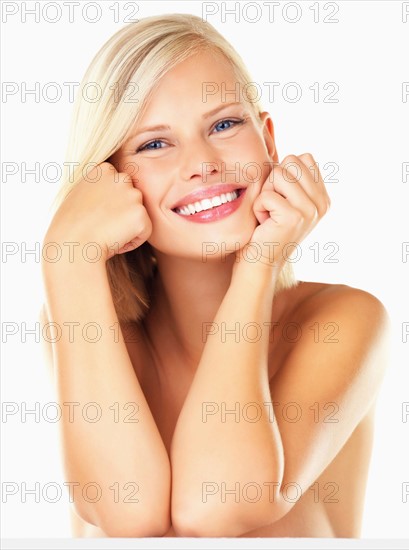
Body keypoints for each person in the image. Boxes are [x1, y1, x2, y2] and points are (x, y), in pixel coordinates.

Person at [40, 13, 390, 538]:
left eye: (224, 125)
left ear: (268, 142)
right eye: (154, 144)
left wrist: (258, 266)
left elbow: (217, 505)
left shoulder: (346, 320)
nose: (201, 163)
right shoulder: (90, 315)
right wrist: (66, 260)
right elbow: (127, 512)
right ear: (107, 181)